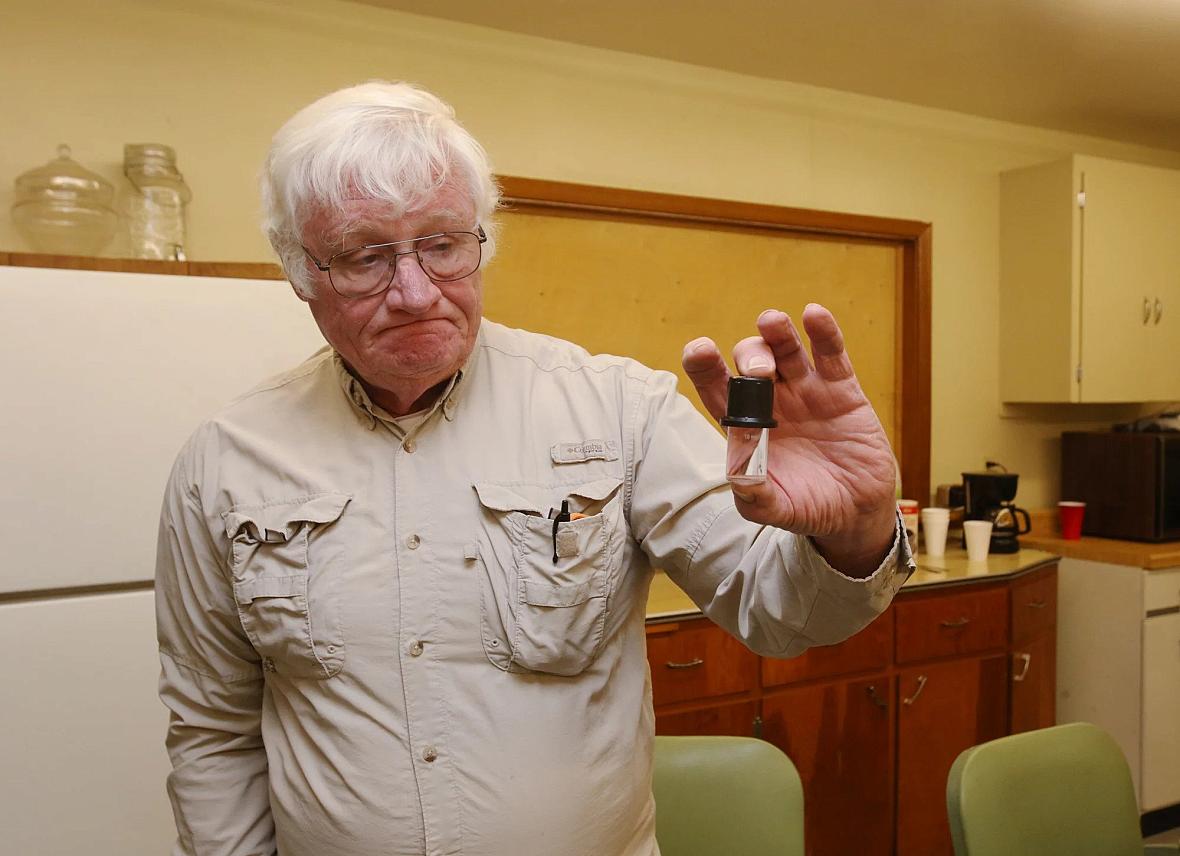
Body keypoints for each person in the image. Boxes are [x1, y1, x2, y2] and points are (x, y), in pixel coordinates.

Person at [154, 80, 913, 856]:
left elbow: (780, 613)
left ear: (481, 240)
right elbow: (213, 732)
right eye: (363, 257)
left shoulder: (620, 410)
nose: (415, 292)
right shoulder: (224, 462)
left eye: (443, 244)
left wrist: (855, 531)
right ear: (300, 272)